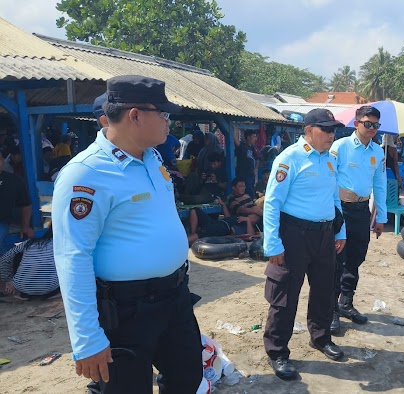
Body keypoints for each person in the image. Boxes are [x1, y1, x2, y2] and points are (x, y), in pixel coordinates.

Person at [52, 75, 202, 393]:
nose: (168, 121)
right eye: (162, 114)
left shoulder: (153, 158)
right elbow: (72, 258)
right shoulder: (86, 174)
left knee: (188, 378)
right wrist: (87, 338)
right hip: (126, 310)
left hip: (174, 297)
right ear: (135, 115)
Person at [262, 108, 347, 380]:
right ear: (309, 131)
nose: (331, 135)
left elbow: (334, 199)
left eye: (334, 130)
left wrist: (340, 231)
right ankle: (277, 351)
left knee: (323, 289)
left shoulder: (329, 160)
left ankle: (320, 337)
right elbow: (272, 203)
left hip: (324, 235)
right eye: (326, 129)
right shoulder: (290, 158)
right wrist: (272, 244)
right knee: (285, 295)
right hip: (294, 235)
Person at [330, 105, 388, 334]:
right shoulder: (340, 147)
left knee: (356, 257)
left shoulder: (378, 152)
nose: (372, 128)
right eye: (368, 123)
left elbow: (380, 185)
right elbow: (329, 180)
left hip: (362, 211)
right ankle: (331, 309)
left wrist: (381, 216)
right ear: (356, 123)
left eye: (376, 125)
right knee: (337, 259)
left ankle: (346, 303)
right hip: (340, 209)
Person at [0, 223, 59, 300]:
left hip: (22, 289)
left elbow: (5, 259)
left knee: (18, 256)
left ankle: (25, 294)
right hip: (50, 289)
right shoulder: (61, 245)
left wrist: (9, 281)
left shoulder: (28, 243)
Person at [0, 148, 33, 255]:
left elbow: (26, 205)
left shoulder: (14, 181)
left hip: (2, 222)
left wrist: (25, 225)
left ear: (3, 161)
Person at [187, 196, 254, 245]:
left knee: (205, 231)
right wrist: (222, 204)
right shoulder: (237, 217)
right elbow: (227, 216)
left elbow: (250, 235)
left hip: (223, 228)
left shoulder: (247, 223)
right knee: (194, 210)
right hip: (218, 222)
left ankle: (186, 242)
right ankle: (192, 234)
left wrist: (248, 221)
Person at [234, 127, 259, 199]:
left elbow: (257, 159)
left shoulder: (253, 148)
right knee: (249, 195)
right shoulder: (243, 146)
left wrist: (255, 169)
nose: (255, 139)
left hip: (252, 176)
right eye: (254, 137)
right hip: (244, 176)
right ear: (248, 137)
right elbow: (235, 140)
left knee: (253, 193)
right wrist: (234, 127)